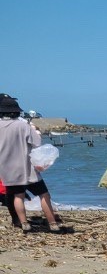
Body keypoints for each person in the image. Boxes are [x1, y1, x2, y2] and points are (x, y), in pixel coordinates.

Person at [0, 94, 68, 234]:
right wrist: (34, 129)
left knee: (18, 196)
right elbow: (37, 142)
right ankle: (53, 224)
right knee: (44, 194)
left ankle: (24, 223)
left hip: (7, 168)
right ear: (17, 112)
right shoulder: (23, 125)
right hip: (27, 168)